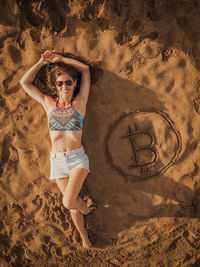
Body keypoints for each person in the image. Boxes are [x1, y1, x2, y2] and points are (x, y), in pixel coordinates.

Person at [20, 50, 92, 248]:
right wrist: (41, 62)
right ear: (56, 86)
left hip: (77, 159)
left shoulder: (80, 103)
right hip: (57, 161)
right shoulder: (48, 104)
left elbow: (85, 70)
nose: (65, 86)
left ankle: (86, 209)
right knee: (71, 202)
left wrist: (61, 60)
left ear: (74, 84)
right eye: (60, 83)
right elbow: (24, 83)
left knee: (69, 202)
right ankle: (84, 237)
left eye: (68, 82)